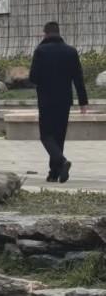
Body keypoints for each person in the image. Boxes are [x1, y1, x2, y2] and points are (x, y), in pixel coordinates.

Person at [28, 19, 89, 183]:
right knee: (58, 136)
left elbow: (33, 77)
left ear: (45, 34)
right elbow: (78, 78)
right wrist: (83, 102)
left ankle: (62, 162)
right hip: (64, 101)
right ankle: (54, 173)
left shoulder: (40, 51)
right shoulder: (71, 51)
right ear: (59, 33)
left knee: (46, 136)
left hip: (46, 100)